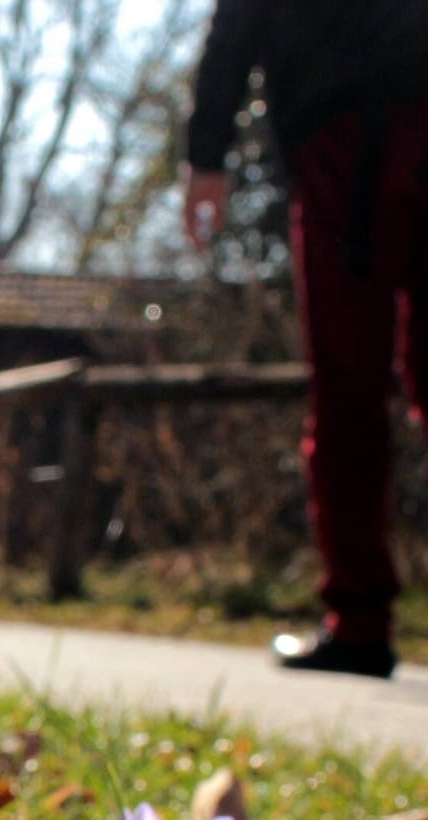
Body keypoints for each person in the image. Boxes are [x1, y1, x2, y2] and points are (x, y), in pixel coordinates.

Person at [184, 1, 428, 678]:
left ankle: (358, 622)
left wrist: (207, 154)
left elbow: (237, 21)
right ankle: (356, 619)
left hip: (346, 136)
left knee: (348, 390)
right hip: (365, 119)